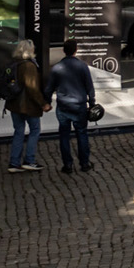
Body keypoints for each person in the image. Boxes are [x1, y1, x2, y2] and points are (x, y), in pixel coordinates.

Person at [43, 38, 95, 174]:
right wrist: (92, 104)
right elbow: (90, 87)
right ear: (76, 50)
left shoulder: (57, 68)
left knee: (64, 136)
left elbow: (49, 89)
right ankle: (84, 163)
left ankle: (68, 165)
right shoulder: (82, 66)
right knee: (82, 134)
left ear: (63, 51)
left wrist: (47, 102)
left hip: (63, 106)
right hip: (79, 106)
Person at [2, 41, 48, 173]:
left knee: (18, 131)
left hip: (14, 105)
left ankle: (14, 163)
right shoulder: (29, 66)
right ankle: (29, 160)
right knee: (34, 130)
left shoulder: (13, 64)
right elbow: (32, 88)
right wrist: (43, 103)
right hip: (28, 106)